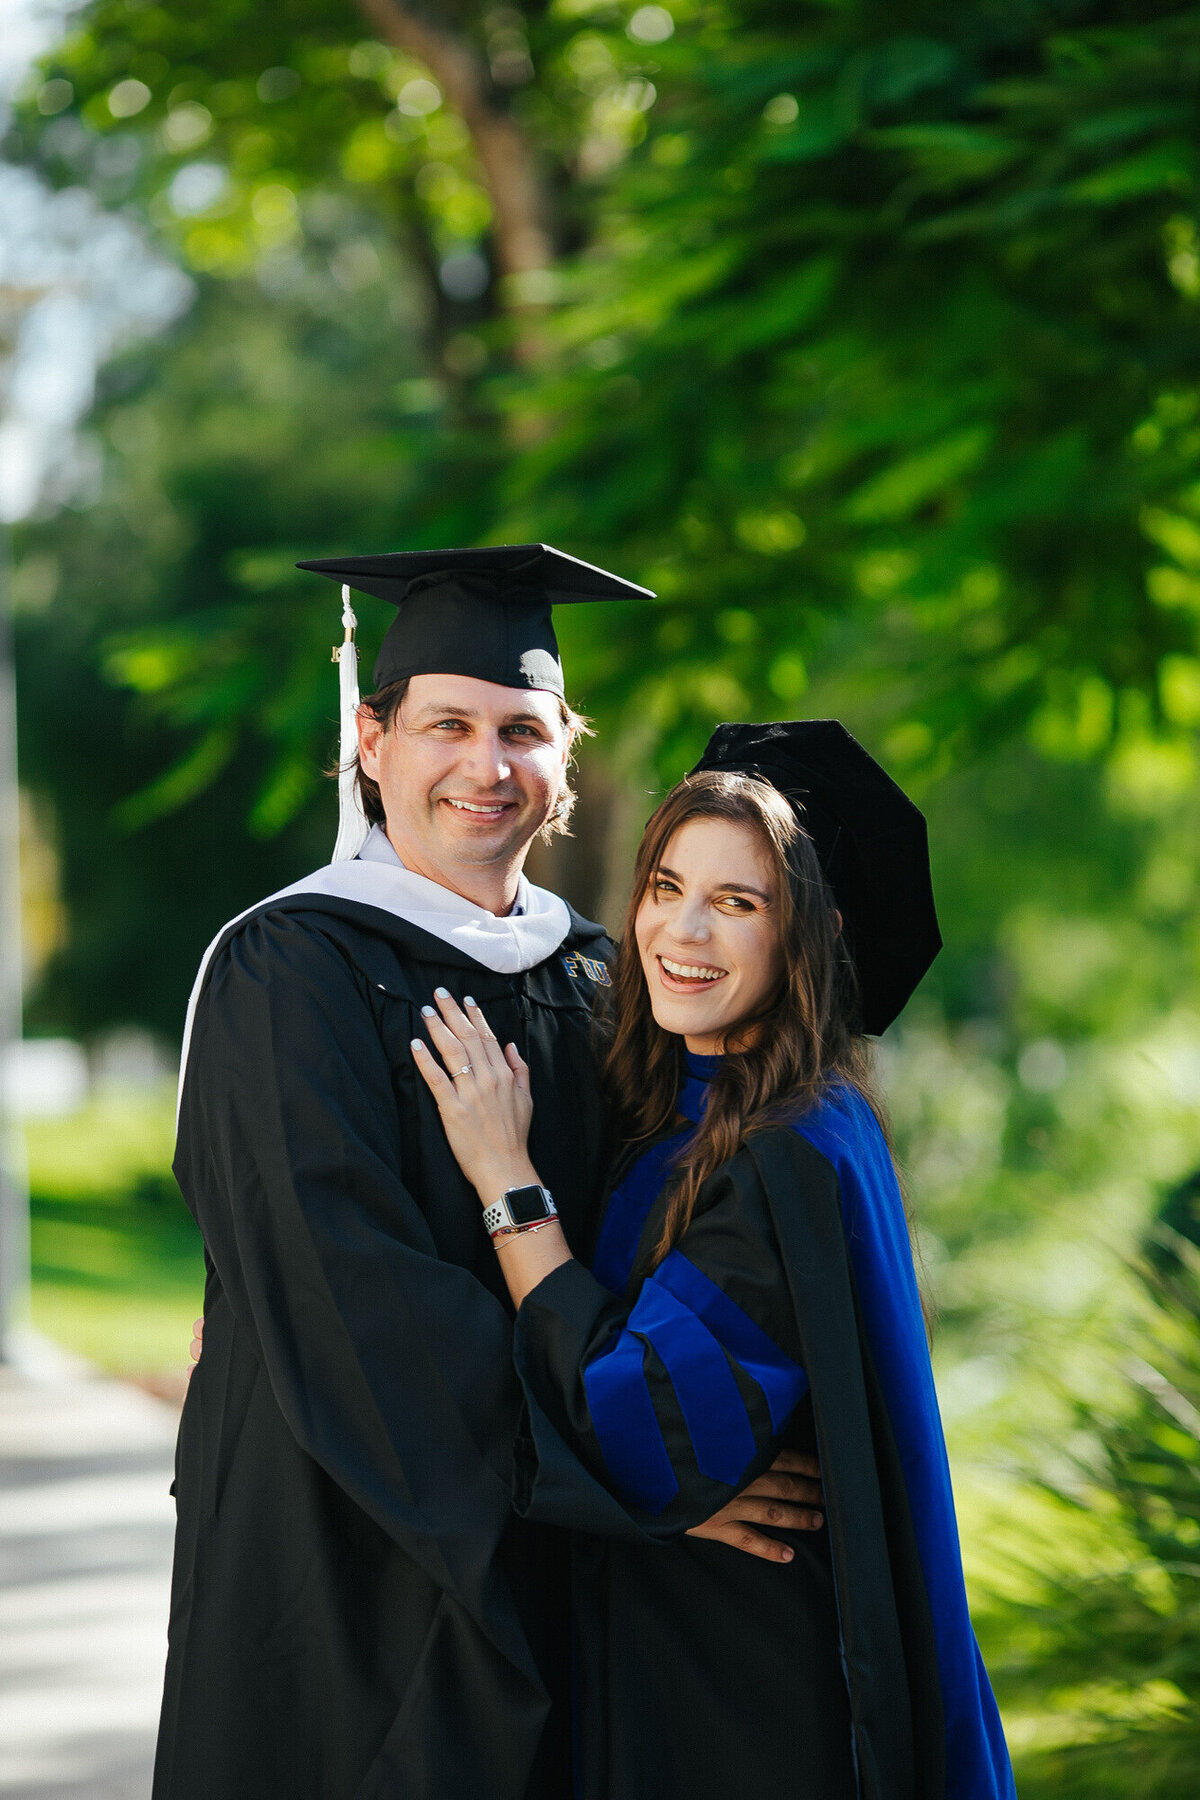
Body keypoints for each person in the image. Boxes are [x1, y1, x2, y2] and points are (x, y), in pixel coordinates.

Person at [157, 549, 823, 1800]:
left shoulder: (595, 981)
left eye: (522, 729)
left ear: (566, 755)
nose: (487, 765)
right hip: (340, 1569)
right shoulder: (284, 976)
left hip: (561, 1575)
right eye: (446, 725)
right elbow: (349, 1301)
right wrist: (623, 1481)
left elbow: (659, 1248)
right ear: (372, 740)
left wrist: (677, 1437)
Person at [413, 719, 1017, 1800]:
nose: (679, 931)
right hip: (674, 1644)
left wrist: (508, 1181)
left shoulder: (786, 1153)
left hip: (739, 1691)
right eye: (665, 886)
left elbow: (638, 1437)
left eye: (738, 903)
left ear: (811, 937)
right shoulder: (695, 1108)